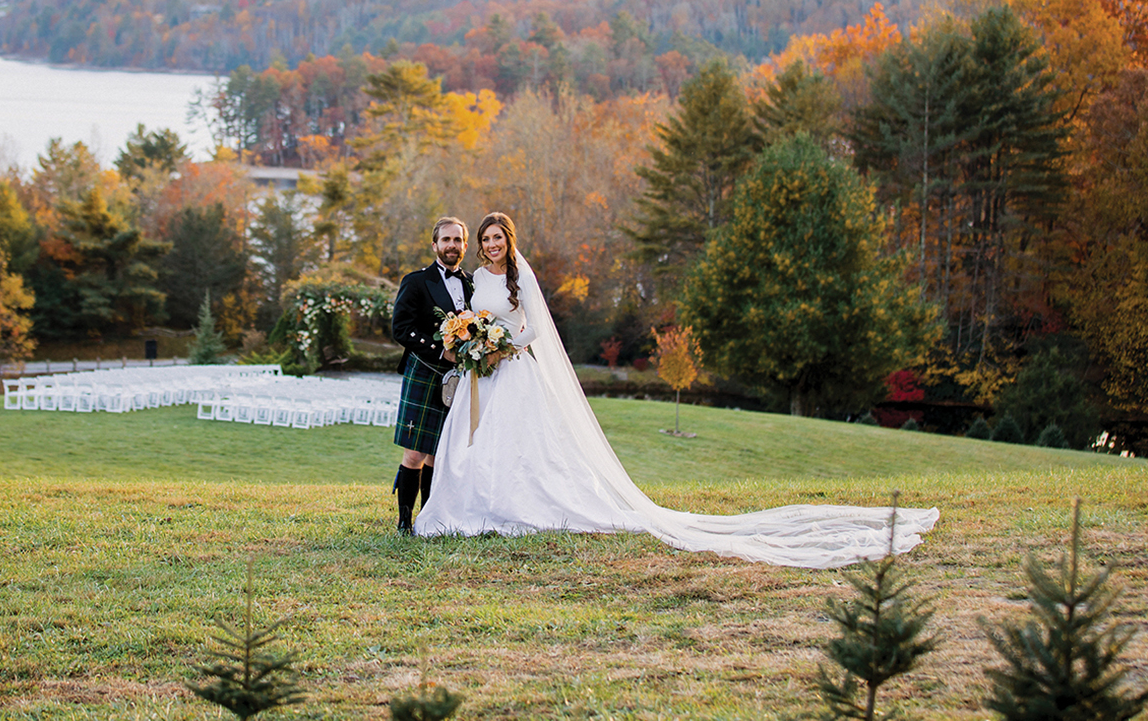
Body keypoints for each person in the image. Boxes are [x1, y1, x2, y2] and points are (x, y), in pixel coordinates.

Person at [412, 211, 939, 569]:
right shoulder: (478, 278)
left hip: (517, 370)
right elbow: (471, 319)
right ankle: (474, 508)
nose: (490, 245)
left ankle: (519, 507)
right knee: (480, 444)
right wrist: (475, 342)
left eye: (496, 238)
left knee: (525, 447)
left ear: (509, 240)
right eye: (484, 240)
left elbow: (537, 330)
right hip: (487, 375)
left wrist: (505, 345)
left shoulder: (519, 279)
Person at [388, 216, 473, 533]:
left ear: (465, 246)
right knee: (415, 452)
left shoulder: (472, 283)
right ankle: (404, 522)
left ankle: (430, 517)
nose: (452, 245)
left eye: (458, 240)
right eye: (446, 240)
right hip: (425, 370)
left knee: (439, 452)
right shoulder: (417, 281)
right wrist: (441, 351)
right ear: (435, 244)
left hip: (458, 378)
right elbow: (401, 328)